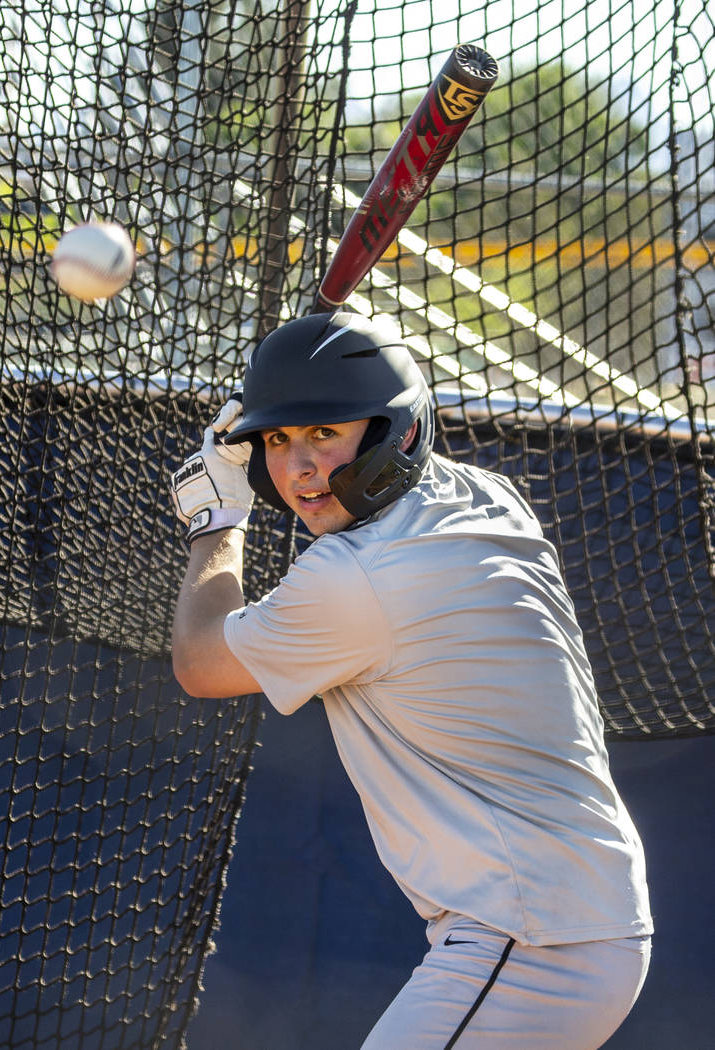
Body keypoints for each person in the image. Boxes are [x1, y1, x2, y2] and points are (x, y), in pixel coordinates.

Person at [170, 311, 653, 1050]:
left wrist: (217, 520)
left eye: (324, 433)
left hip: (530, 942)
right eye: (276, 440)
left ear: (391, 429)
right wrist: (306, 397)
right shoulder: (482, 493)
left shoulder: (359, 577)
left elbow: (201, 664)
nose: (298, 468)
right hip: (569, 916)